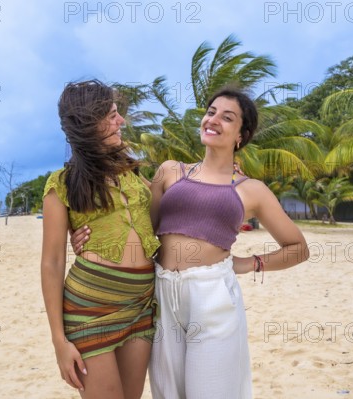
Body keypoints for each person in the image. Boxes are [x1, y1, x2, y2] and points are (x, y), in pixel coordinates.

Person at [71, 86, 310, 398]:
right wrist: (84, 239)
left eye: (227, 118)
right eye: (211, 112)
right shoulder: (170, 171)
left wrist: (250, 263)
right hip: (160, 293)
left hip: (211, 296)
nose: (213, 120)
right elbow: (140, 223)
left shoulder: (252, 189)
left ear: (241, 135)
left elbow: (298, 248)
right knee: (168, 392)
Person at [40, 80, 160, 399]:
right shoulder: (61, 184)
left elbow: (160, 218)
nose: (121, 121)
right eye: (112, 115)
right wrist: (58, 341)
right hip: (90, 311)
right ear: (89, 125)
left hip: (140, 306)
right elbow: (51, 263)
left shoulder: (133, 173)